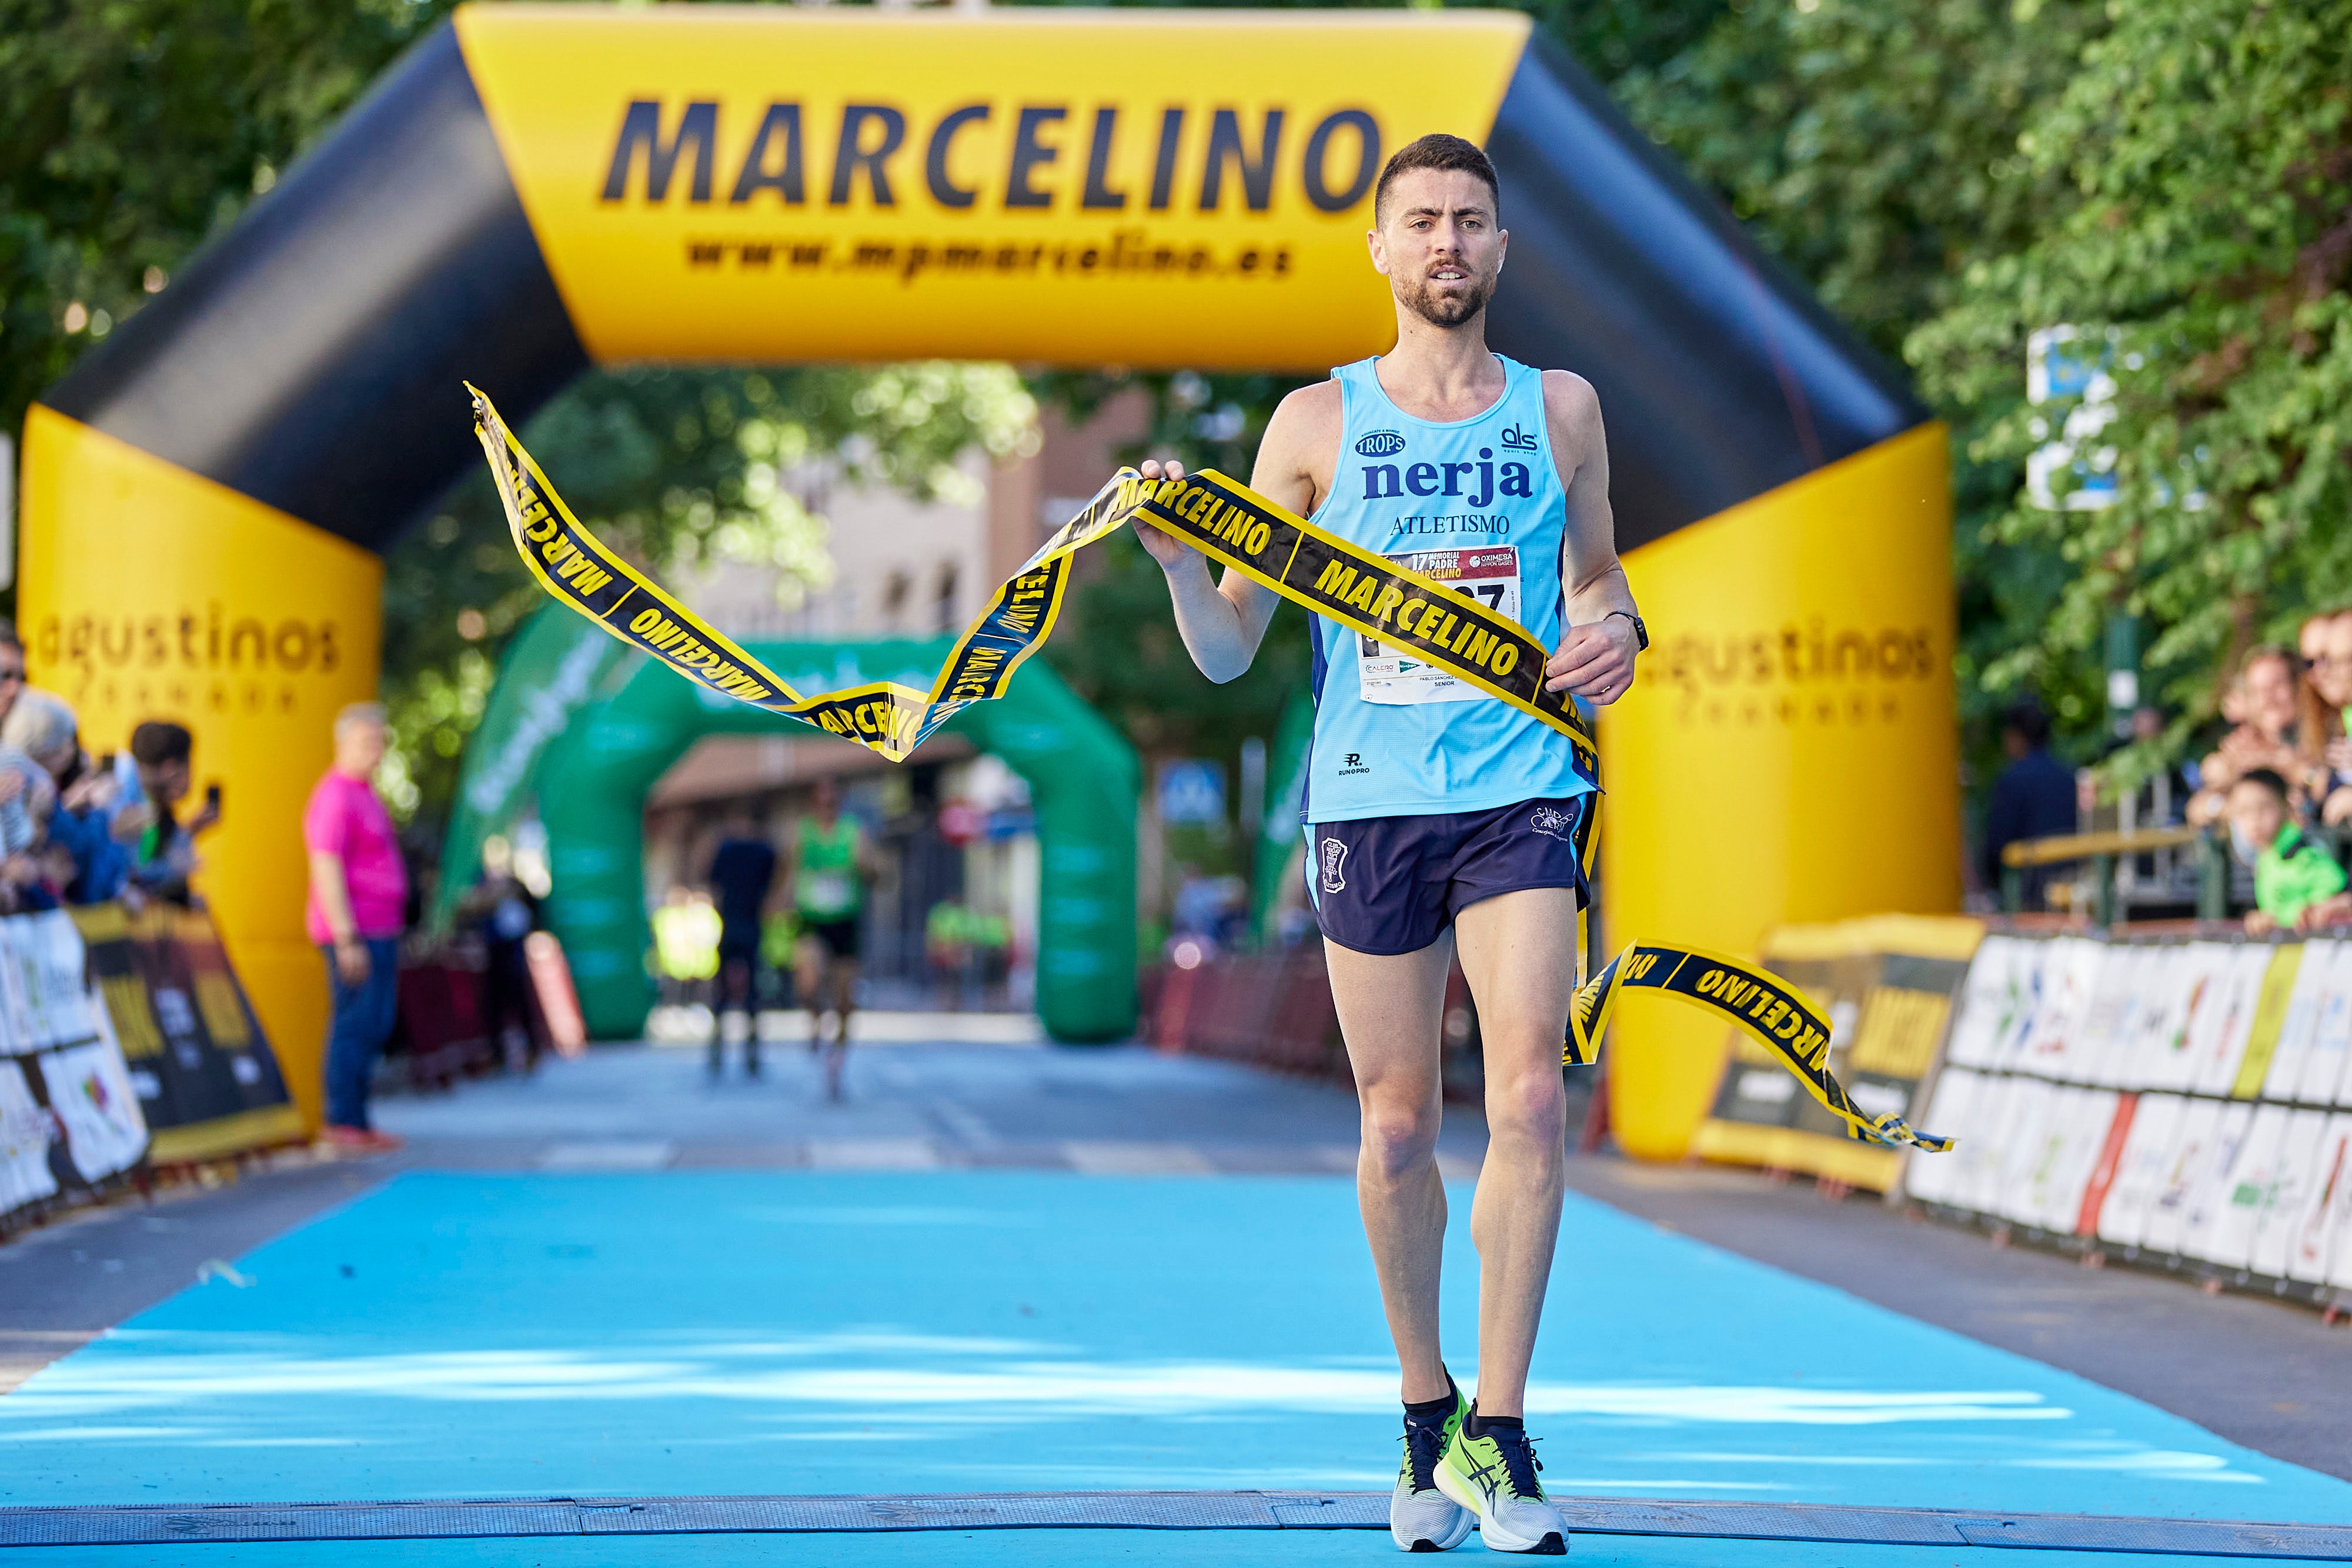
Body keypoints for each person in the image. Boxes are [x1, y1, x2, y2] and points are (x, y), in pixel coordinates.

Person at [1130, 134, 1639, 1554]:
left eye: (1470, 221)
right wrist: (1180, 561)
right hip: (1366, 799)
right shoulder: (1312, 426)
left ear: (1499, 246)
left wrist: (1615, 630)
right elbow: (1232, 649)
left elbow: (1599, 577)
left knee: (1531, 1100)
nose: (1447, 245)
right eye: (1420, 222)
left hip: (1523, 787)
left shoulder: (1560, 412)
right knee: (1398, 1124)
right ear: (1378, 248)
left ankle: (1505, 1436)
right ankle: (1423, 1412)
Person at [303, 703, 407, 1153]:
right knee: (354, 1023)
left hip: (381, 928)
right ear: (342, 742)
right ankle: (341, 1120)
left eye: (381, 742)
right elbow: (325, 866)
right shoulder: (335, 796)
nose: (377, 751)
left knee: (374, 1023)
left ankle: (359, 1119)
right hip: (356, 931)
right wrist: (346, 938)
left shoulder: (366, 793)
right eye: (368, 742)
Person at [788, 778, 874, 1103]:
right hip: (811, 919)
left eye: (832, 801)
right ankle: (812, 1021)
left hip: (844, 921)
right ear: (814, 803)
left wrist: (866, 867)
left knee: (844, 1001)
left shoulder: (855, 833)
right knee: (808, 982)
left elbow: (877, 873)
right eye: (821, 801)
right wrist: (778, 903)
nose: (827, 807)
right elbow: (787, 871)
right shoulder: (802, 833)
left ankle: (837, 1059)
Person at [2189, 645, 2303, 824]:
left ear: (2299, 685)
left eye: (2277, 686)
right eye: (2258, 691)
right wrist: (2227, 804)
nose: (2268, 699)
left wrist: (2270, 765)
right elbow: (2196, 810)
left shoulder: (2325, 738)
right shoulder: (2242, 745)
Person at [1979, 702, 2079, 905]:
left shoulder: (2012, 781)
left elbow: (1997, 844)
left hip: (2027, 893)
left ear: (2016, 736)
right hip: (2072, 887)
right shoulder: (2068, 777)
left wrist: (1990, 885)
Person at [2229, 768, 2351, 934]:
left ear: (2286, 807)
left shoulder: (2304, 854)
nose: (2254, 819)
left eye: (2263, 808)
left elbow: (2339, 903)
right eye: (2243, 811)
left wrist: (2278, 919)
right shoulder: (2265, 857)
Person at [705, 807, 779, 1077]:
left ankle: (719, 1047)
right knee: (751, 994)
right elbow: (774, 881)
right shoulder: (763, 851)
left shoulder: (727, 849)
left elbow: (711, 881)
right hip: (751, 926)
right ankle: (751, 1051)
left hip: (732, 925)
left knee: (723, 991)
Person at [122, 721, 220, 904]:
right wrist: (174, 867)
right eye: (190, 764)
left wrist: (190, 830)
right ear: (171, 769)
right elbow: (135, 877)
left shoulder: (145, 800)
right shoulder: (137, 810)